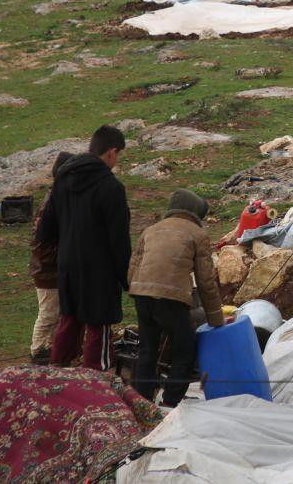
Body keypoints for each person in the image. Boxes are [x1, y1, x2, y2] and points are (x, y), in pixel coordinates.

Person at [38, 125, 131, 370]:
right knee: (98, 328)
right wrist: (127, 278)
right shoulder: (111, 188)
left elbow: (45, 229)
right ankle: (96, 385)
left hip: (68, 265)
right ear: (111, 152)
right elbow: (118, 240)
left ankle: (56, 376)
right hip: (99, 271)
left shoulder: (63, 179)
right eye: (119, 154)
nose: (117, 160)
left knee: (69, 321)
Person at [128, 189, 227, 407]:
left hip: (141, 295)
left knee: (147, 349)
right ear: (194, 212)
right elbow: (206, 282)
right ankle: (170, 402)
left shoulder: (150, 230)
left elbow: (133, 268)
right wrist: (216, 320)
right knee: (185, 349)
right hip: (170, 300)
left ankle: (141, 403)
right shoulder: (197, 234)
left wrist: (138, 290)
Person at [28, 151, 73, 365]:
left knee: (54, 312)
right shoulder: (53, 202)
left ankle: (48, 346)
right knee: (48, 313)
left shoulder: (56, 198)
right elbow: (43, 242)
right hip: (47, 268)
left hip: (50, 266)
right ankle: (37, 349)